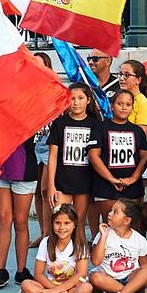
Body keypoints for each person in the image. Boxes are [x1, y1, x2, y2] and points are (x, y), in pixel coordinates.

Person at [44, 84, 99, 241]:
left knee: (79, 222)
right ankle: (56, 255)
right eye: (72, 98)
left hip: (84, 182)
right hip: (62, 182)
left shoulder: (95, 124)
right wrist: (51, 185)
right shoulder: (60, 123)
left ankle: (78, 253)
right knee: (59, 221)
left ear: (88, 100)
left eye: (80, 98)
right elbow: (53, 156)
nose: (76, 102)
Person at [88, 88, 147, 222]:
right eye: (119, 103)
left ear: (132, 108)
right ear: (111, 106)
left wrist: (133, 178)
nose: (123, 107)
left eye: (128, 104)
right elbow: (93, 156)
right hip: (106, 188)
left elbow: (145, 156)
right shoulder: (101, 127)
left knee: (132, 226)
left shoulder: (137, 131)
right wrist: (111, 179)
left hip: (132, 188)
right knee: (110, 225)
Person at [20, 204, 95, 293]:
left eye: (67, 223)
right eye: (57, 223)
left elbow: (81, 274)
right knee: (26, 284)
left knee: (87, 288)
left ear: (74, 224)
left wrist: (56, 291)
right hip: (50, 286)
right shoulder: (45, 242)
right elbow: (38, 274)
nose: (62, 227)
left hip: (71, 288)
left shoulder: (80, 244)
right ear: (52, 224)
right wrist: (56, 290)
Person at [0, 132, 40, 291]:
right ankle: (0, 270)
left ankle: (21, 270)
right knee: (3, 218)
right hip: (2, 169)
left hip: (24, 171)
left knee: (20, 220)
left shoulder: (29, 119)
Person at [90, 199, 147, 293]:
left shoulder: (140, 239)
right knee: (95, 277)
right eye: (111, 210)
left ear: (126, 221)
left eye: (115, 212)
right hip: (108, 279)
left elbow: (144, 265)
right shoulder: (103, 234)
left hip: (131, 278)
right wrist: (103, 236)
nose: (109, 214)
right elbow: (95, 261)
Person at [116, 60, 147, 132]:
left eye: (127, 75)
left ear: (138, 80)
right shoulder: (116, 98)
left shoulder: (143, 103)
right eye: (120, 74)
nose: (121, 78)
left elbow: (141, 134)